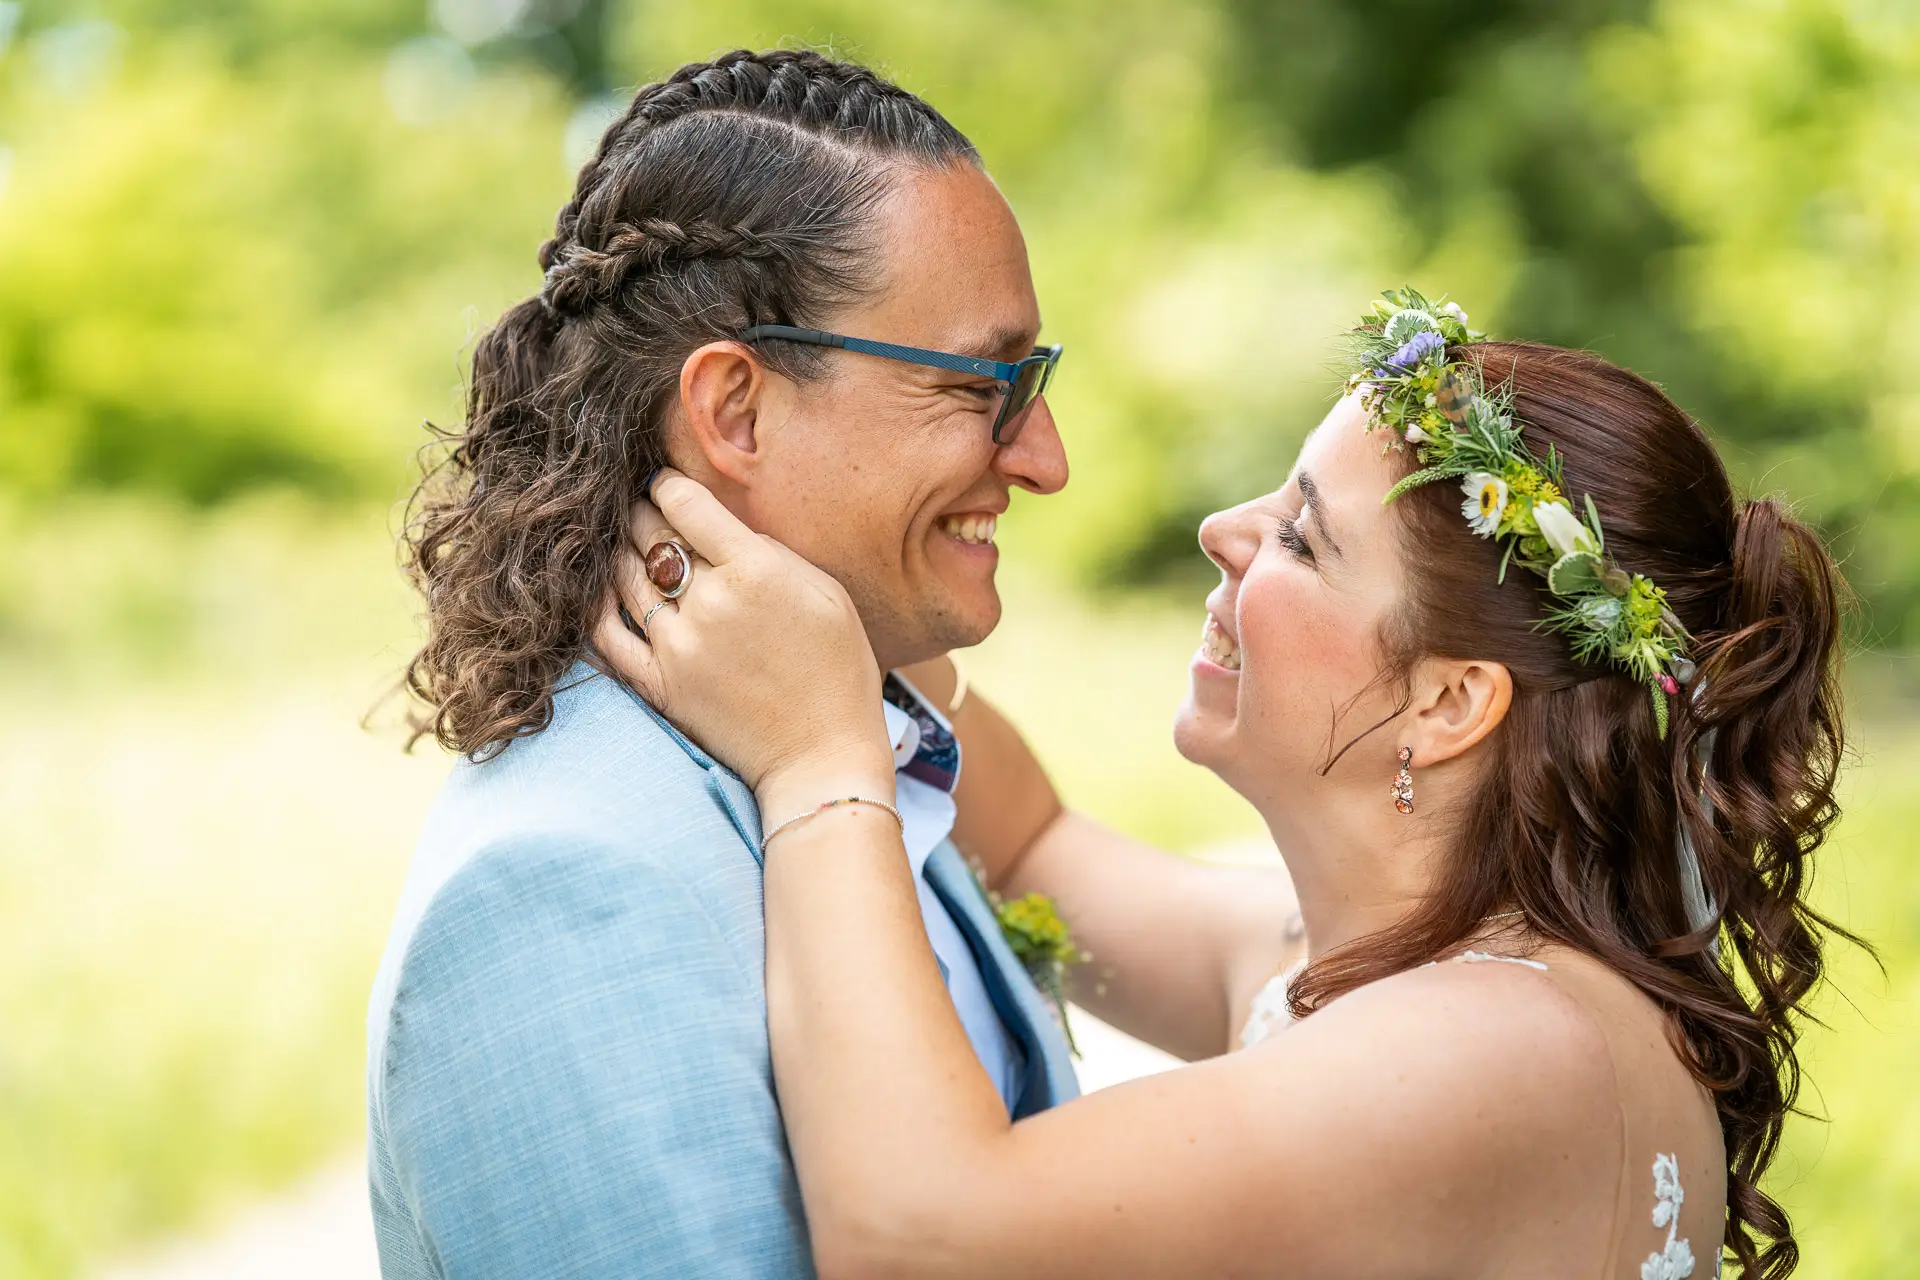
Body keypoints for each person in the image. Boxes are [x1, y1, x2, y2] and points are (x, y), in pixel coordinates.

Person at [603, 295, 1849, 1278]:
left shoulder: (1497, 1050)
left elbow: (923, 1234)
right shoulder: (1378, 966)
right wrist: (836, 540)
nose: (1222, 528)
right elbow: (1031, 845)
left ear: (1451, 702)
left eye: (1304, 536)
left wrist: (821, 760)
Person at [367, 49, 1076, 1278]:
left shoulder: (857, 734)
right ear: (736, 410)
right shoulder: (561, 890)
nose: (1046, 458)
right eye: (990, 384)